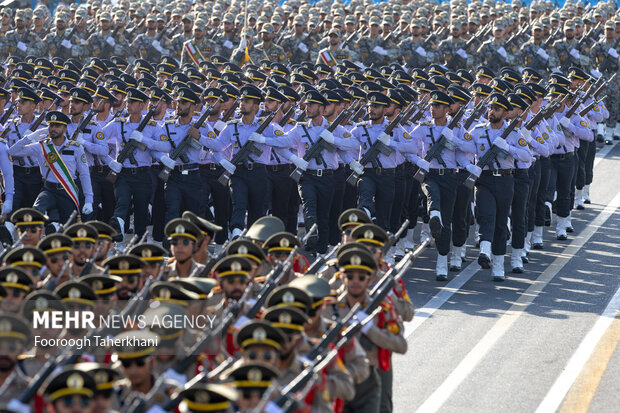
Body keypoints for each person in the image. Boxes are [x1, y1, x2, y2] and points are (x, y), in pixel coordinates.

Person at [7, 110, 93, 224]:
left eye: (57, 126)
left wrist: (89, 199)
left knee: (67, 226)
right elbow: (12, 152)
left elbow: (84, 174)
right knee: (36, 211)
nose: (53, 128)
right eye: (51, 125)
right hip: (48, 190)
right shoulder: (41, 146)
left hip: (67, 190)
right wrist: (29, 137)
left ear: (65, 129)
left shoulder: (75, 148)